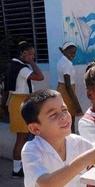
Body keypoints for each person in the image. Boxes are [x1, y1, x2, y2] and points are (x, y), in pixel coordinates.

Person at [21, 89, 95, 187]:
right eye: (53, 114)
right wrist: (85, 160)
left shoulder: (77, 142)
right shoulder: (31, 150)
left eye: (64, 110)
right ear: (35, 128)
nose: (63, 116)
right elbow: (46, 184)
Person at [5, 41, 44, 177]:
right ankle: (16, 170)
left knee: (24, 136)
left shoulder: (14, 65)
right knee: (21, 138)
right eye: (30, 54)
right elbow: (40, 76)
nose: (32, 56)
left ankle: (20, 167)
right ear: (22, 53)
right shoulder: (21, 68)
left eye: (33, 54)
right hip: (19, 102)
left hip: (19, 101)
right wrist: (32, 63)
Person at [57, 41, 83, 133]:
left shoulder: (61, 61)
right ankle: (70, 139)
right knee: (70, 119)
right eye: (70, 52)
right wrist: (77, 105)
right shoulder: (67, 64)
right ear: (64, 51)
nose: (73, 55)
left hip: (62, 89)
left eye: (74, 52)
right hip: (67, 93)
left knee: (67, 119)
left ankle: (69, 138)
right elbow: (68, 85)